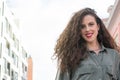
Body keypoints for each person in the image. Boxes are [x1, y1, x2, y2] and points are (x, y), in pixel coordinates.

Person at [53, 7, 120, 80]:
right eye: (82, 27)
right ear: (78, 31)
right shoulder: (70, 58)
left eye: (91, 24)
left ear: (98, 27)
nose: (87, 29)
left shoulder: (114, 56)